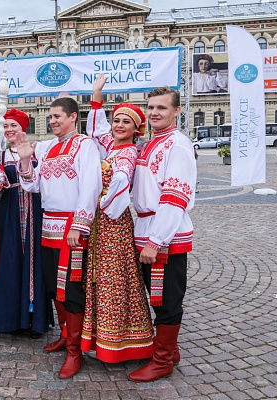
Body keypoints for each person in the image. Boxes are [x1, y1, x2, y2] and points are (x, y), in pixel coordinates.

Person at [16, 97, 102, 379]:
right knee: (54, 286)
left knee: (72, 289)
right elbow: (32, 184)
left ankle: (75, 351)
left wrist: (80, 224)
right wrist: (26, 158)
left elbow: (91, 185)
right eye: (50, 117)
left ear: (73, 117)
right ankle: (66, 336)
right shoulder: (50, 147)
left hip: (71, 226)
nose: (52, 121)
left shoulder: (84, 145)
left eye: (57, 116)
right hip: (49, 225)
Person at [81, 74, 154, 363]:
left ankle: (121, 342)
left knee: (115, 279)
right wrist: (96, 94)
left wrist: (97, 200)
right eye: (117, 121)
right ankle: (103, 339)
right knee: (101, 277)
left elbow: (121, 182)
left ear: (136, 129)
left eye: (126, 122)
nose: (119, 126)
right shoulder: (111, 146)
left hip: (114, 223)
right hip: (102, 225)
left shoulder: (126, 153)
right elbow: (95, 130)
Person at [128, 86, 197, 382]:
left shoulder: (177, 145)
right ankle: (169, 350)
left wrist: (156, 241)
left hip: (164, 235)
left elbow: (174, 197)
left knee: (167, 299)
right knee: (155, 298)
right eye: (151, 107)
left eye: (162, 108)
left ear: (176, 111)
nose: (154, 112)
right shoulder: (152, 142)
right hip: (146, 229)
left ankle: (163, 360)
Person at [0, 108, 50, 338]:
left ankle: (34, 318)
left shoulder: (38, 151)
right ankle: (11, 318)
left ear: (24, 127)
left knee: (34, 261)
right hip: (9, 213)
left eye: (14, 125)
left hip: (34, 210)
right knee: (11, 259)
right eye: (6, 126)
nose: (9, 129)